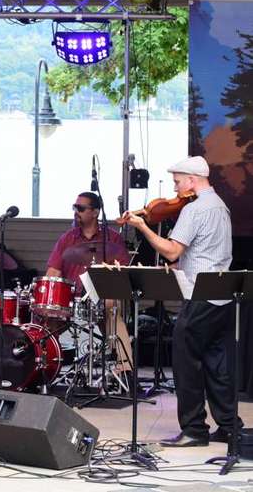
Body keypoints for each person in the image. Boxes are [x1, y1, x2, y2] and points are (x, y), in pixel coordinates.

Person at [121, 156, 241, 447]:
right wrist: (180, 267)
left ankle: (194, 430)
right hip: (221, 294)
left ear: (191, 179)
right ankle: (229, 426)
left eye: (177, 182)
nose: (176, 190)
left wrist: (142, 226)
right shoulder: (220, 206)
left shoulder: (195, 208)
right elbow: (208, 254)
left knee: (186, 364)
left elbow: (172, 251)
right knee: (217, 364)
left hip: (199, 296)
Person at [46, 191, 134, 381]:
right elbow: (53, 272)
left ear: (95, 212)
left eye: (80, 208)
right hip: (71, 297)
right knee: (47, 315)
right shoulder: (67, 238)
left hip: (100, 295)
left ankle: (126, 370)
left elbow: (122, 272)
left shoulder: (112, 239)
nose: (76, 212)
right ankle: (43, 366)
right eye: (74, 208)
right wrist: (48, 296)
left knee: (112, 310)